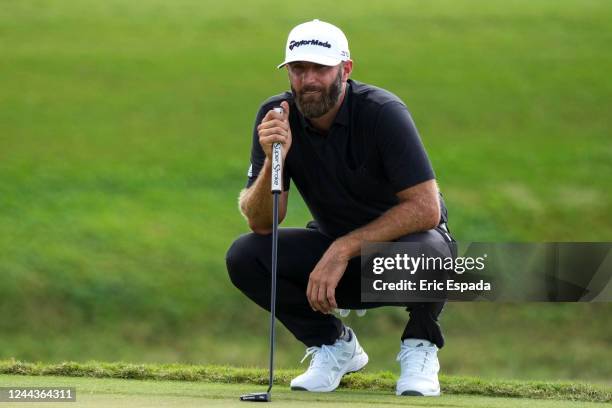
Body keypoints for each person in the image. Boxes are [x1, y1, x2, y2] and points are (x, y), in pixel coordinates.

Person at [226, 19, 455, 397]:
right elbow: (262, 222)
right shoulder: (276, 117)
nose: (309, 79)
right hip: (335, 264)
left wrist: (343, 248)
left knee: (431, 253)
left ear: (345, 70)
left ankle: (420, 345)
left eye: (321, 68)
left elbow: (426, 209)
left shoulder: (383, 112)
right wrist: (272, 159)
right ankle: (334, 346)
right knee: (245, 256)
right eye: (299, 69)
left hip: (400, 257)